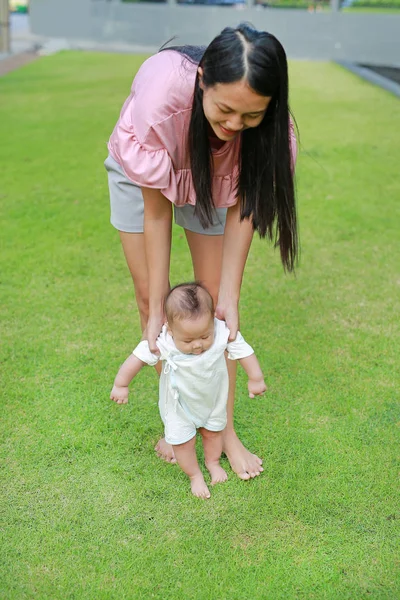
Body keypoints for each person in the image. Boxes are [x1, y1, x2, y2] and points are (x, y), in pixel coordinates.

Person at [105, 22, 298, 480]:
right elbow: (157, 213)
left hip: (220, 175)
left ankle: (222, 430)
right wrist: (155, 307)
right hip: (147, 163)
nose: (234, 126)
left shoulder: (271, 131)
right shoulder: (161, 97)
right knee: (155, 300)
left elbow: (245, 207)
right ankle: (179, 428)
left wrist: (229, 295)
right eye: (226, 110)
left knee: (213, 307)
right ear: (202, 78)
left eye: (251, 117)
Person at [110, 282, 267, 499]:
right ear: (171, 330)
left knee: (213, 434)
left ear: (212, 321)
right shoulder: (165, 341)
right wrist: (121, 384)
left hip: (212, 402)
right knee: (183, 444)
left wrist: (255, 378)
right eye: (188, 340)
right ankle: (195, 475)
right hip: (179, 407)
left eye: (204, 337)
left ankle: (212, 463)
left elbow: (242, 350)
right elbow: (137, 359)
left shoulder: (220, 331)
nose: (197, 345)